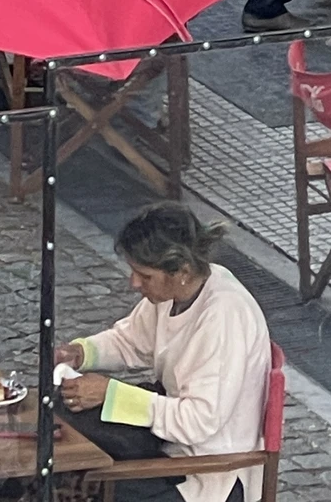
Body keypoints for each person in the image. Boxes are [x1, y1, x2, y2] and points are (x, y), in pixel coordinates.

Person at [56, 203, 269, 502]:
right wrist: (81, 352)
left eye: (144, 275)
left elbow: (199, 421)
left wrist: (112, 395)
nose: (134, 283)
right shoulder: (176, 292)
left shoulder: (224, 316)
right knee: (60, 413)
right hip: (171, 446)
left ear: (180, 271)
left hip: (209, 473)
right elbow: (131, 340)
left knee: (88, 485)